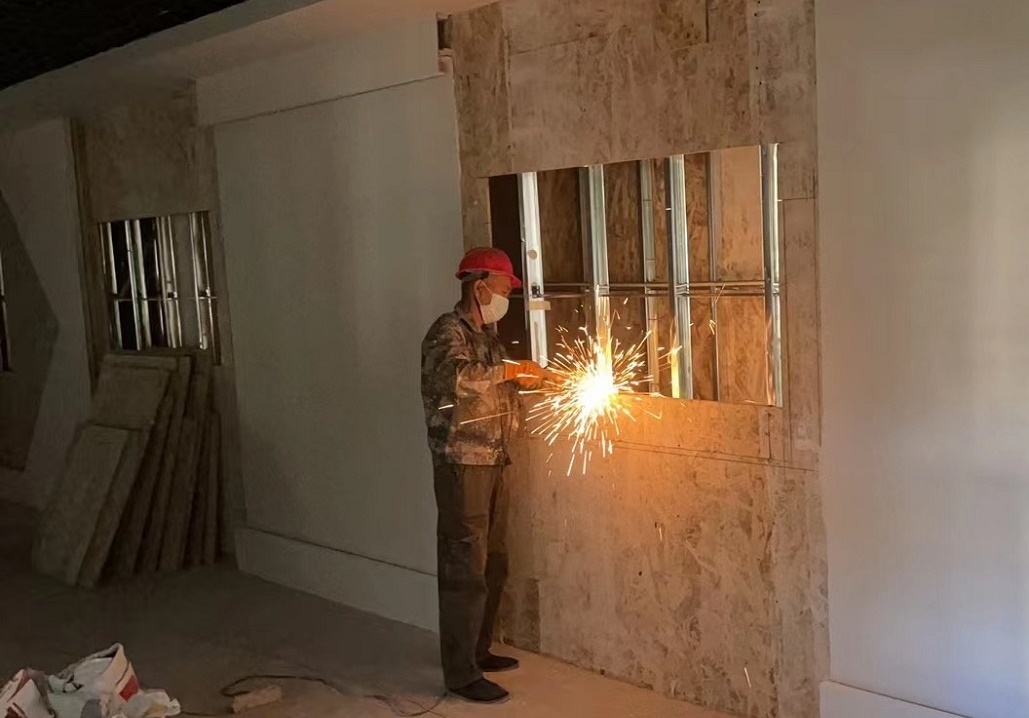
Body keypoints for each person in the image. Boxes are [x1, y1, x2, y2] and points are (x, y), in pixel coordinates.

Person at [420, 246, 548, 704]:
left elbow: (498, 384)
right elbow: (455, 379)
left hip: (494, 458)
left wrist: (526, 379)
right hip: (462, 462)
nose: (505, 298)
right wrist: (508, 371)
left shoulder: (488, 337)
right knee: (464, 566)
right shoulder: (447, 332)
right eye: (502, 289)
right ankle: (460, 673)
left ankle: (478, 650)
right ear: (479, 288)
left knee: (493, 561)